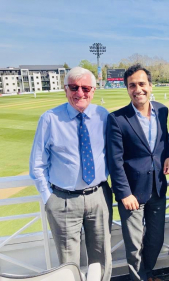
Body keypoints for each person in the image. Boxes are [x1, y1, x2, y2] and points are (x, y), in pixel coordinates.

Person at [29, 67, 113, 281]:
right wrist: (50, 199)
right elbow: (37, 164)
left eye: (86, 88)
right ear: (65, 89)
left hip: (99, 196)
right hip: (63, 199)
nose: (80, 93)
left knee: (101, 259)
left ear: (93, 90)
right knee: (68, 266)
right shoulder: (49, 119)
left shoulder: (102, 115)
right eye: (74, 87)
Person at [106, 64, 169, 281]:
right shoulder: (117, 119)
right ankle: (140, 279)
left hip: (157, 188)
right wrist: (124, 193)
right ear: (127, 89)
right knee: (134, 246)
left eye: (142, 84)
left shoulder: (162, 111)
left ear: (150, 85)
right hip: (132, 194)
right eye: (132, 85)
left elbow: (162, 142)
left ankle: (148, 273)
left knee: (154, 241)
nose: (138, 89)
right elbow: (115, 161)